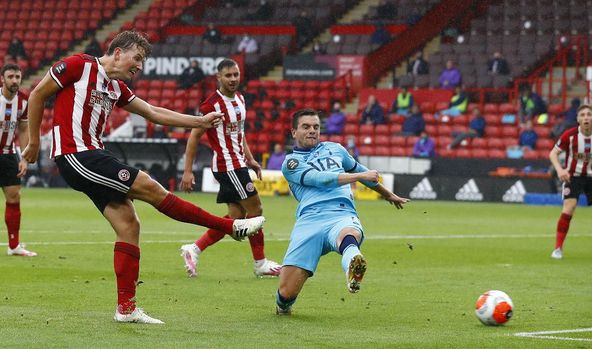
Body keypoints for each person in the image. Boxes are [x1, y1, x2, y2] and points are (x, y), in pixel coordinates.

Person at [21, 31, 266, 324]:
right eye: (136, 58)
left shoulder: (116, 87)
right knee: (149, 186)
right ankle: (230, 226)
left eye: (142, 61)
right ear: (117, 53)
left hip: (93, 154)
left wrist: (198, 121)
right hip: (77, 154)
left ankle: (126, 309)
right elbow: (37, 94)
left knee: (129, 225)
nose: (139, 66)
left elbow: (152, 112)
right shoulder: (78, 65)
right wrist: (34, 142)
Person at [274, 108, 409, 315]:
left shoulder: (335, 149)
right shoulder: (291, 163)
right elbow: (321, 179)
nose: (312, 131)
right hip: (310, 220)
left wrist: (388, 194)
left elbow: (363, 173)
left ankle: (353, 268)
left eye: (316, 127)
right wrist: (356, 177)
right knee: (286, 293)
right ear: (293, 132)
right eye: (306, 127)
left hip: (341, 212)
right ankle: (283, 306)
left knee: (349, 236)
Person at [179, 58, 282, 279]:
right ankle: (260, 263)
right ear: (218, 77)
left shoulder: (241, 99)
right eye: (228, 75)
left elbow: (239, 134)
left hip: (238, 163)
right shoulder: (211, 105)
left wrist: (251, 159)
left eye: (236, 74)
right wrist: (188, 171)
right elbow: (194, 135)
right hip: (228, 166)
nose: (233, 79)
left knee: (236, 217)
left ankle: (194, 249)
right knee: (257, 211)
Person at [549, 104, 592, 260]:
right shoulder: (569, 135)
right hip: (572, 176)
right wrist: (560, 170)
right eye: (582, 115)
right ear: (578, 119)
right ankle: (558, 248)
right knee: (569, 208)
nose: (586, 117)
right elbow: (553, 153)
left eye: (589, 114)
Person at [0, 64, 36, 257]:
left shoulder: (23, 101)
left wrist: (24, 157)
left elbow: (23, 129)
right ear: (2, 79)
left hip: (7, 154)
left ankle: (14, 246)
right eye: (10, 76)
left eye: (17, 76)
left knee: (14, 196)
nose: (14, 80)